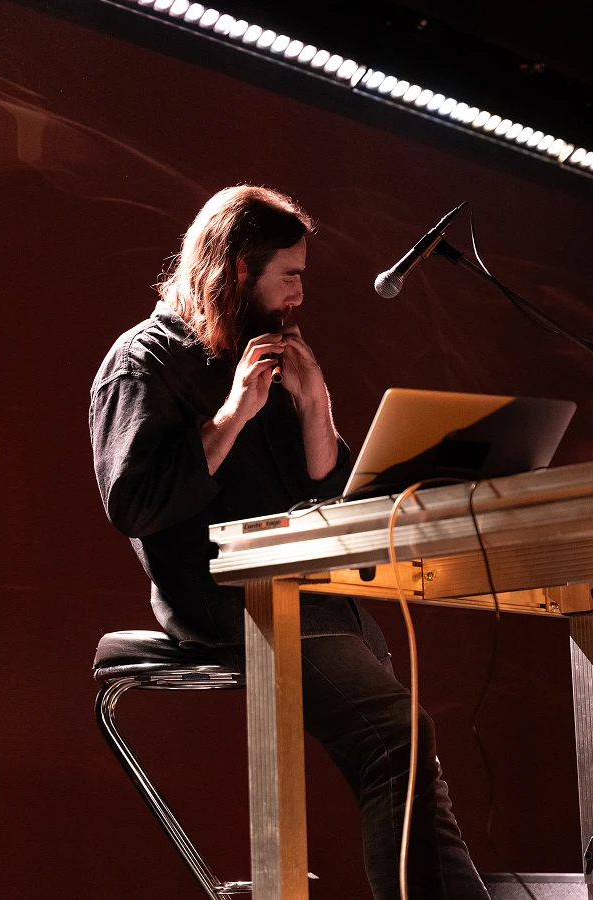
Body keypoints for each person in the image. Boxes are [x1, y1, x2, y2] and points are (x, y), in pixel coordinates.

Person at [89, 184, 490, 900]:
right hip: (235, 606)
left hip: (316, 602)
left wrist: (316, 404)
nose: (300, 295)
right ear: (240, 269)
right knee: (399, 741)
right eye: (290, 276)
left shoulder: (268, 352)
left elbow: (332, 504)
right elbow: (136, 502)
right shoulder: (142, 362)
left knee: (410, 755)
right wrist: (236, 412)